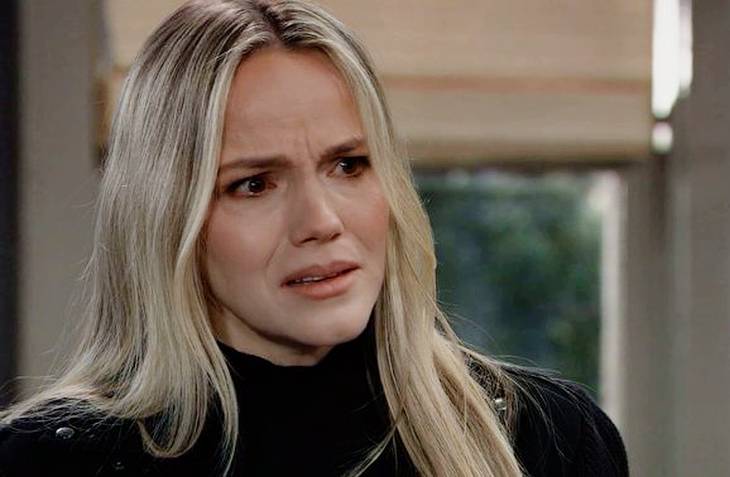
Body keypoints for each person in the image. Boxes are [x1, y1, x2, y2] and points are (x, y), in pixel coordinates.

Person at [0, 1, 629, 476]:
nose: (321, 221)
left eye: (348, 165)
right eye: (253, 184)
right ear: (166, 218)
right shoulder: (46, 461)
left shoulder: (548, 441)